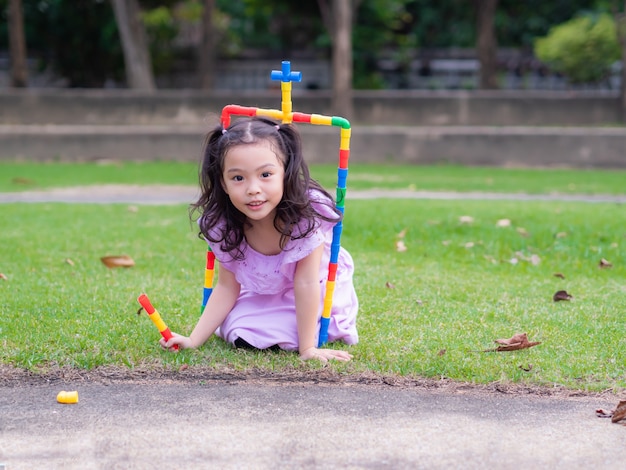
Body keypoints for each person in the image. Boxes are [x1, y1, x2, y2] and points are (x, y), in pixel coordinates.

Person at [160, 116, 358, 362]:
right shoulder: (226, 224)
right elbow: (226, 286)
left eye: (265, 174)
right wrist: (193, 340)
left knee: (291, 333)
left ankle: (299, 336)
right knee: (237, 329)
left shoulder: (305, 218)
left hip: (310, 289)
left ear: (285, 172)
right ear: (223, 182)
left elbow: (306, 283)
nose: (253, 189)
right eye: (238, 178)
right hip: (263, 292)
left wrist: (308, 349)